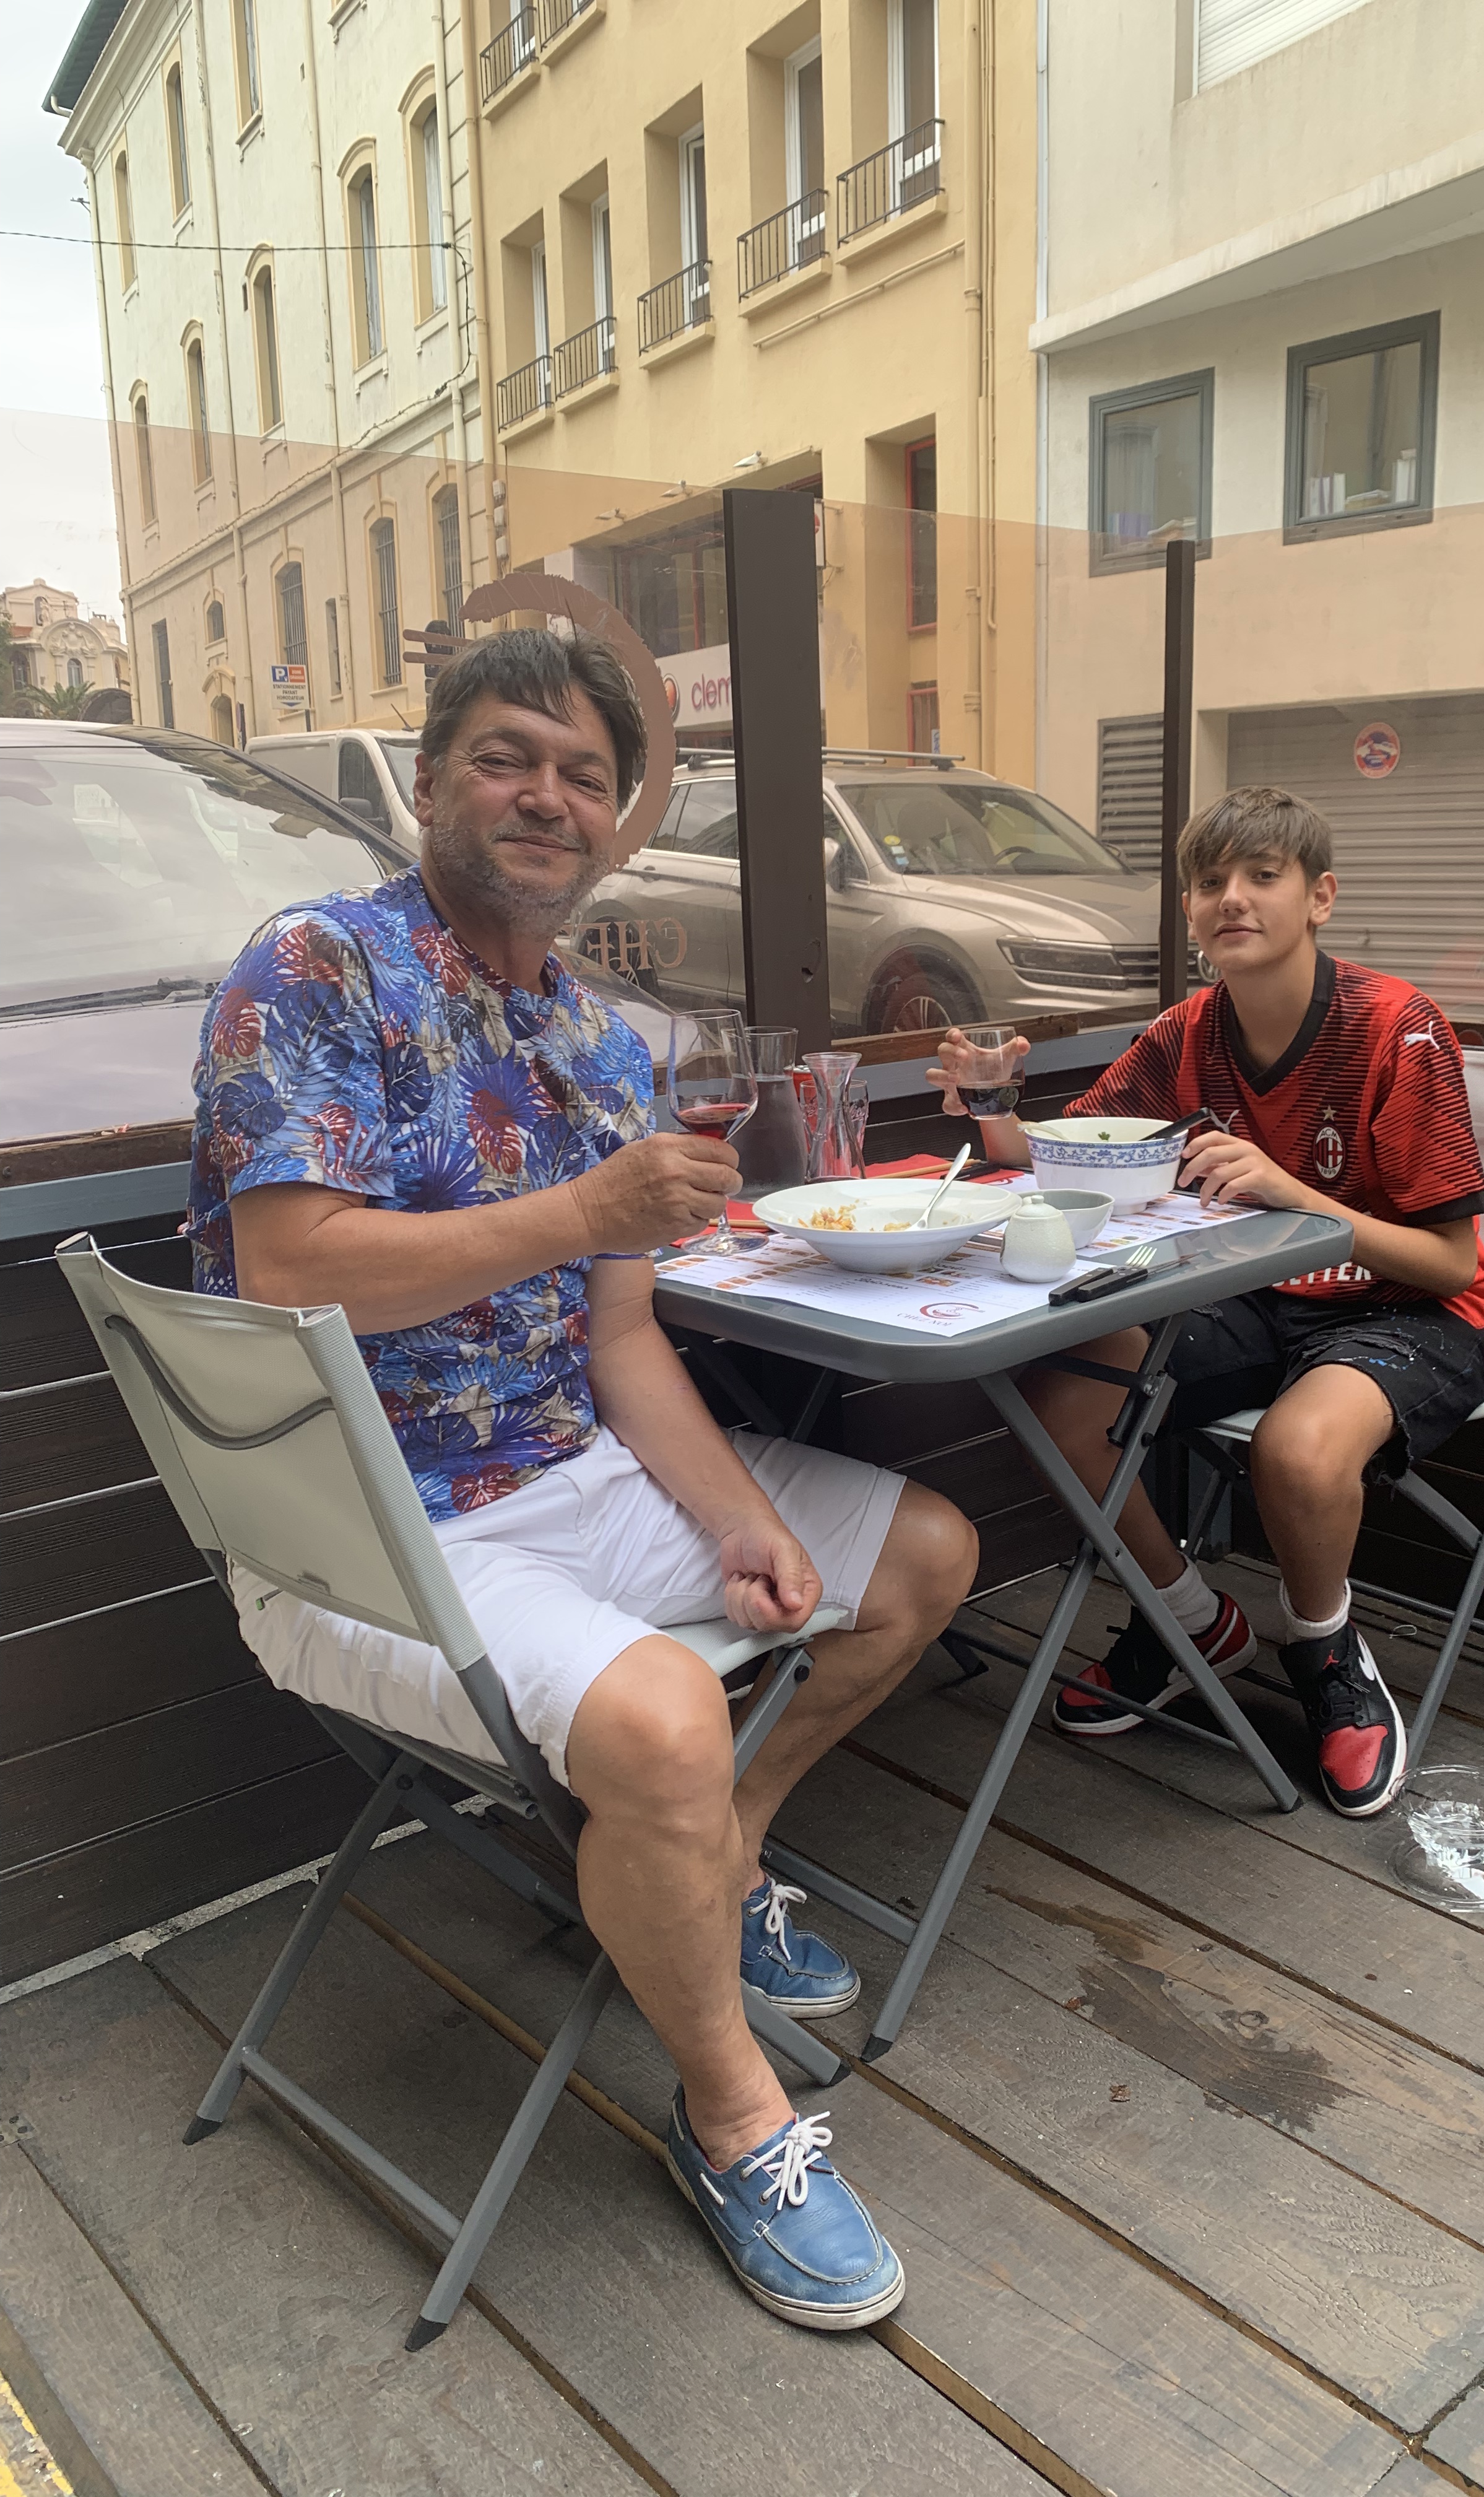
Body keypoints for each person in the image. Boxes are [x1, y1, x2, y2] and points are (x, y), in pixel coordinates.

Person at [188, 628, 978, 2330]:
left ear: (617, 824)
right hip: (366, 1525)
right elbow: (288, 1271)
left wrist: (740, 1518)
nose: (547, 796)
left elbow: (621, 1344)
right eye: (506, 757)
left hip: (572, 1470)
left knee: (923, 1556)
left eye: (585, 776)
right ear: (430, 781)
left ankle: (724, 1857)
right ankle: (732, 2115)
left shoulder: (604, 1045)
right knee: (668, 1726)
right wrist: (582, 1211)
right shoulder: (314, 968)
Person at [926, 785, 1484, 1819]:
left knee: (1297, 1452)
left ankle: (1324, 1651)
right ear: (1190, 909)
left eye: (1263, 876)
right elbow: (1067, 1157)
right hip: (1247, 1295)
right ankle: (1189, 1618)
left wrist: (1292, 1193)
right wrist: (992, 1100)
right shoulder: (1188, 1028)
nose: (1232, 897)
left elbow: (1452, 1264)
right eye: (1209, 881)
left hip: (1405, 1310)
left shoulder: (1397, 1027)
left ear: (1320, 896)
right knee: (1060, 1391)